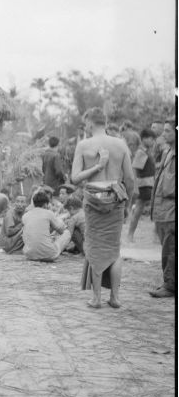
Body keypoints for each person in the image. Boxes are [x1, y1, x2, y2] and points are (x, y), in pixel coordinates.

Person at [72, 107, 134, 309]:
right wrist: (127, 203)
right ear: (105, 123)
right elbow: (130, 179)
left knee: (94, 246)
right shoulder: (120, 144)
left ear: (89, 123)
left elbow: (75, 178)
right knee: (114, 250)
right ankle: (115, 297)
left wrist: (97, 167)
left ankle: (96, 298)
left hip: (93, 200)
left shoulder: (84, 145)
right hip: (115, 198)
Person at [149, 119, 176, 298]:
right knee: (167, 248)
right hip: (163, 210)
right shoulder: (168, 152)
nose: (163, 134)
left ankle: (170, 285)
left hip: (172, 210)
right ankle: (169, 281)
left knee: (172, 248)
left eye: (167, 131)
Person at [22, 190, 71, 261]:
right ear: (45, 204)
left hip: (29, 255)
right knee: (67, 233)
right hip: (49, 255)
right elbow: (61, 230)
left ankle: (34, 250)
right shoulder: (48, 213)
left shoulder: (25, 215)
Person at [126, 129, 156, 242]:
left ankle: (154, 236)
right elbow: (134, 168)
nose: (153, 142)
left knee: (141, 209)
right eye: (151, 139)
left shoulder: (147, 151)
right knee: (139, 210)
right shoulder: (141, 152)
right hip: (143, 185)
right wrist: (135, 186)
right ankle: (130, 235)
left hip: (148, 184)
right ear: (144, 139)